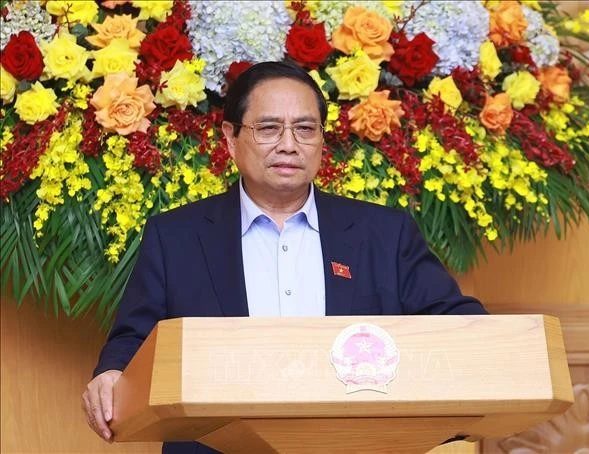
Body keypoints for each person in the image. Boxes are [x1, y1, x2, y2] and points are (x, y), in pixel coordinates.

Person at [81, 61, 487, 454]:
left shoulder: (384, 234)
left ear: (322, 140)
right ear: (230, 138)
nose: (289, 145)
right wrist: (112, 374)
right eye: (269, 128)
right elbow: (135, 341)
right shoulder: (176, 237)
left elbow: (460, 327)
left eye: (305, 129)